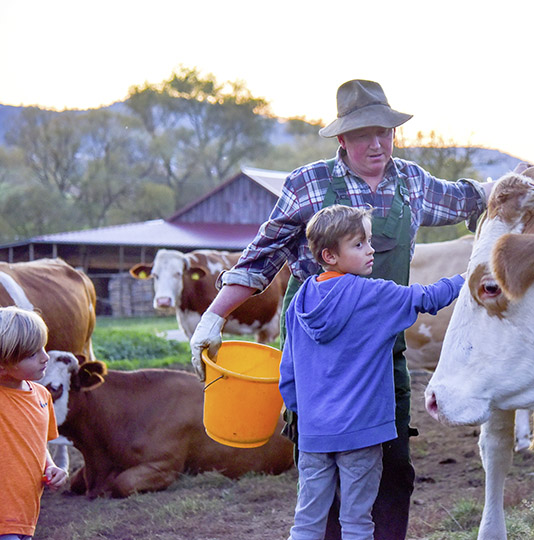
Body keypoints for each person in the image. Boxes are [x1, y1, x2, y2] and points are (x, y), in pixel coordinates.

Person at [190, 78, 493, 540]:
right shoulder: (308, 184)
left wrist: (513, 188)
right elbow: (261, 258)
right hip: (317, 359)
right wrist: (213, 317)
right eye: (363, 134)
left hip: (381, 358)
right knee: (322, 477)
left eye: (385, 132)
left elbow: (471, 197)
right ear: (341, 139)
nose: (377, 144)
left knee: (392, 468)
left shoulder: (412, 182)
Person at [281, 204, 464, 539]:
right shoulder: (373, 294)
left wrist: (308, 416)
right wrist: (472, 275)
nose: (371, 250)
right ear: (329, 255)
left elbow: (288, 373)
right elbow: (430, 297)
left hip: (314, 435)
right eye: (359, 244)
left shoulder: (300, 300)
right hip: (362, 434)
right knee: (357, 522)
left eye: (368, 242)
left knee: (307, 522)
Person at [0, 306, 68, 540]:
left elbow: (38, 446)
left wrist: (50, 467)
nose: (45, 357)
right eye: (32, 354)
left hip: (26, 513)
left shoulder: (42, 396)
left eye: (43, 347)